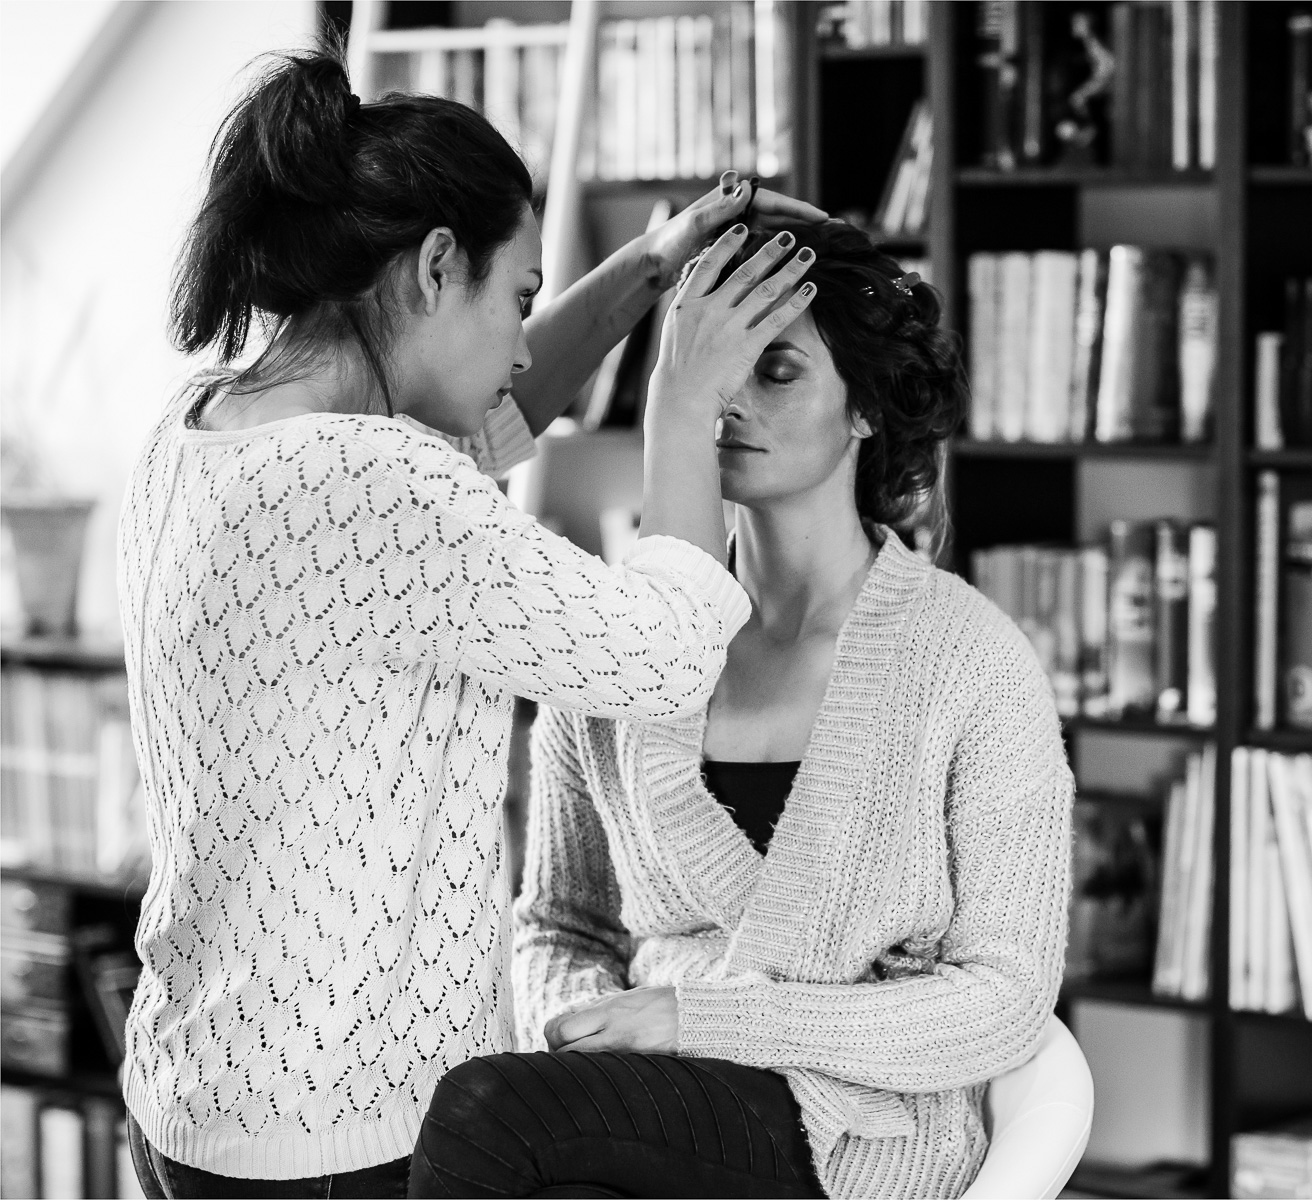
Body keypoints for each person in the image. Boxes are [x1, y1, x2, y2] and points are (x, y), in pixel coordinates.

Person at [119, 48, 825, 1199]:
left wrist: (648, 269)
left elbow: (485, 416)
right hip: (336, 1140)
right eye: (519, 297)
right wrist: (684, 398)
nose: (518, 337)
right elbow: (662, 652)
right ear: (437, 264)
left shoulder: (204, 427)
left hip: (197, 1095)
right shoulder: (379, 484)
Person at [409, 223, 1076, 1200]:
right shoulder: (621, 651)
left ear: (864, 410)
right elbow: (558, 928)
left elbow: (1006, 1003)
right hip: (646, 1116)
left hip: (860, 1141)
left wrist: (696, 1021)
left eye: (775, 370)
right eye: (708, 367)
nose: (725, 401)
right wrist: (592, 1029)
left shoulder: (970, 663)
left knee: (484, 1115)